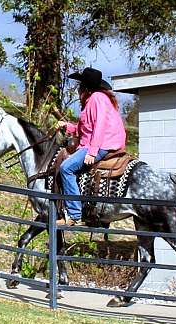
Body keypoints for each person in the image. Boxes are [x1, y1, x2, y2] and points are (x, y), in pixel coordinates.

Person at [56, 67, 127, 226]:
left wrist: (92, 152)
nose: (78, 88)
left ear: (85, 87)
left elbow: (100, 126)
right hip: (99, 142)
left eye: (80, 84)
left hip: (103, 144)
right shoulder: (94, 100)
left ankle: (74, 214)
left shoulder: (97, 98)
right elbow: (84, 128)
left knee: (66, 168)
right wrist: (67, 126)